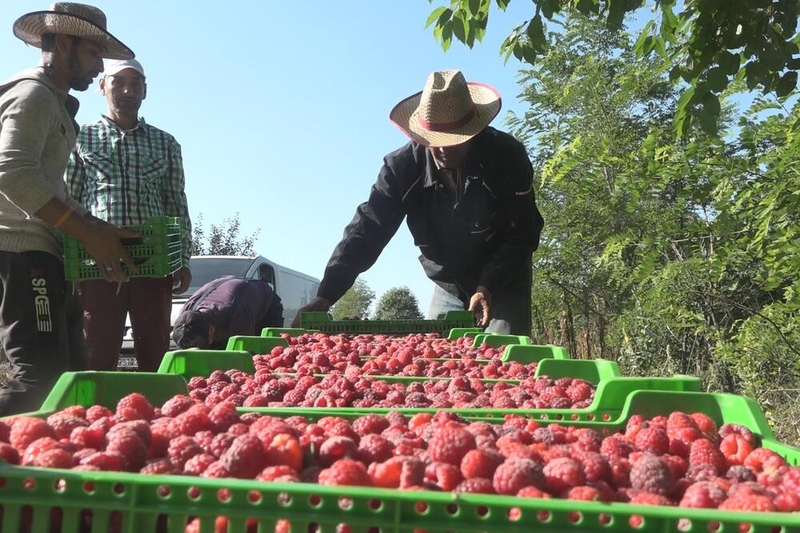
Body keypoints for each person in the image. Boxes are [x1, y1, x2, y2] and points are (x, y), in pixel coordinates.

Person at [293, 69, 544, 335]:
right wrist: (327, 294)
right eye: (436, 140)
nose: (444, 149)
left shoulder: (506, 157)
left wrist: (488, 286)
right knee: (438, 358)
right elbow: (367, 230)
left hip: (503, 280)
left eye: (454, 139)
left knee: (507, 356)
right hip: (448, 282)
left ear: (474, 132)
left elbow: (523, 233)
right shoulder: (401, 169)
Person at [0, 3, 138, 415]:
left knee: (72, 376)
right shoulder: (33, 95)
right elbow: (10, 171)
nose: (99, 68)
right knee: (37, 379)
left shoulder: (55, 103)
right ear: (63, 43)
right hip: (22, 252)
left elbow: (48, 186)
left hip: (45, 252)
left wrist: (98, 228)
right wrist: (86, 231)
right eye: (95, 54)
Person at [66, 57, 193, 372]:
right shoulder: (80, 137)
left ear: (145, 91)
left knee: (156, 350)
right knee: (96, 349)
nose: (127, 90)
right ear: (102, 87)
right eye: (118, 82)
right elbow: (69, 199)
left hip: (154, 259)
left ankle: (162, 417)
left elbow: (176, 203)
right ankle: (97, 415)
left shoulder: (165, 143)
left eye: (135, 83)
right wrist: (66, 264)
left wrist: (183, 259)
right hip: (97, 260)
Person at [172, 276, 284, 350]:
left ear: (211, 329)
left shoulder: (235, 316)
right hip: (228, 287)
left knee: (265, 352)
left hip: (265, 302)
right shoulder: (186, 310)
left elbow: (246, 350)